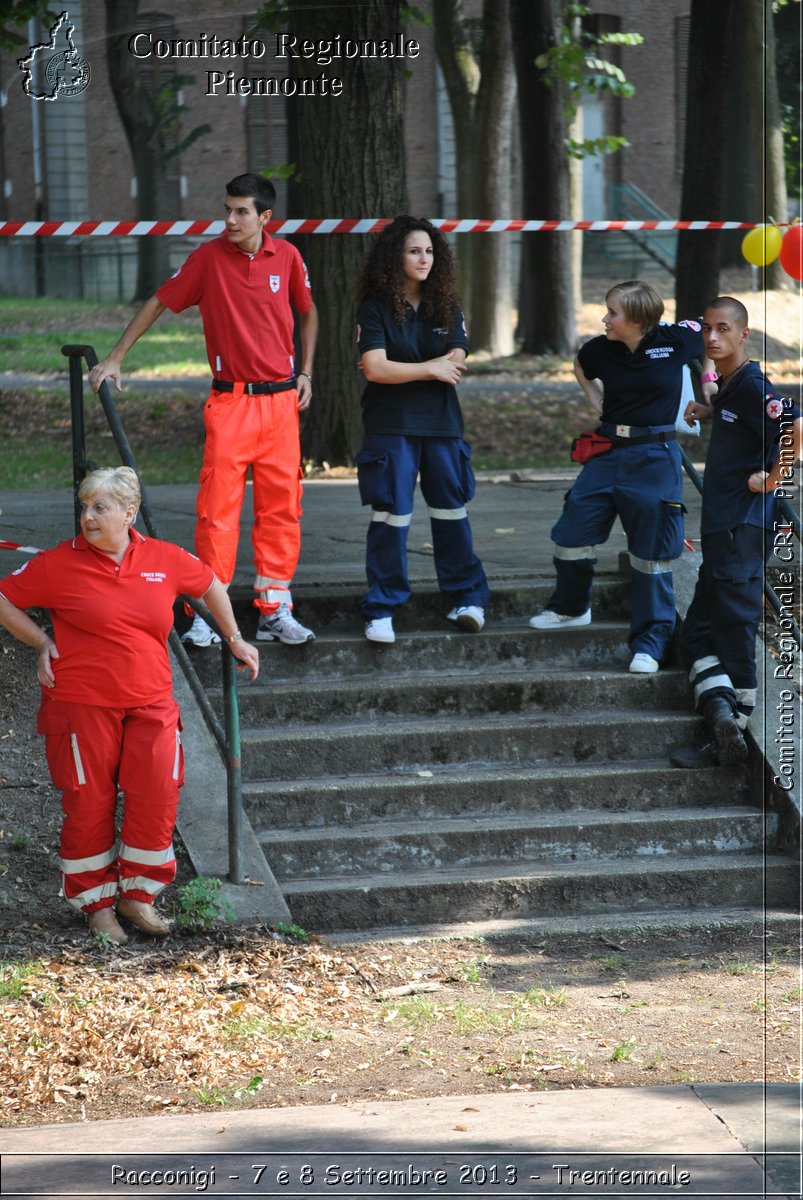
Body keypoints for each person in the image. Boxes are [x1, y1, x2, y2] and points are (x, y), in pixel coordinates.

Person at [0, 467, 260, 945]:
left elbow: (209, 585)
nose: (88, 517)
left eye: (100, 507)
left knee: (158, 793)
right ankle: (97, 907)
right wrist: (40, 642)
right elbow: (3, 597)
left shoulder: (163, 557)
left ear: (129, 512)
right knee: (89, 803)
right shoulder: (58, 564)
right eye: (84, 507)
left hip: (152, 701)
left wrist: (235, 637)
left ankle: (137, 896)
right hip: (82, 705)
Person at [89, 173, 319, 648]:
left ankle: (276, 607)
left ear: (265, 218)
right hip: (231, 401)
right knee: (218, 513)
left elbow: (308, 310)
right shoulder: (208, 259)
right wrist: (116, 357)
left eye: (241, 212)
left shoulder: (289, 257)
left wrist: (307, 372)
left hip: (280, 403)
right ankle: (209, 614)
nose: (230, 220)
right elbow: (159, 301)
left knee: (282, 510)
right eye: (228, 210)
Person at [529, 280, 711, 673]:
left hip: (656, 454)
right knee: (573, 530)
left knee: (652, 554)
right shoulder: (600, 349)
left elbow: (715, 331)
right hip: (609, 451)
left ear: (638, 319)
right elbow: (581, 365)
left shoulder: (676, 339)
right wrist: (594, 396)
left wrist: (708, 383)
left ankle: (650, 643)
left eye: (613, 312)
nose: (605, 318)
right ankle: (571, 607)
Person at [670, 297, 803, 768]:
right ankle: (721, 716)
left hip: (740, 530)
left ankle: (737, 728)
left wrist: (771, 479)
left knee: (732, 627)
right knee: (698, 633)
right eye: (707, 328)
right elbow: (741, 421)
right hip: (724, 530)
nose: (711, 337)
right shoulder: (731, 386)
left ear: (743, 334)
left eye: (723, 329)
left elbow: (795, 426)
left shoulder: (750, 384)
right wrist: (708, 412)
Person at [354, 215, 489, 644]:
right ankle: (383, 607)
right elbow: (375, 369)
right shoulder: (374, 308)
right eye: (414, 251)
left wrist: (427, 365)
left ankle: (466, 598)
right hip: (390, 425)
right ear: (395, 256)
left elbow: (459, 353)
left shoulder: (445, 305)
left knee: (452, 511)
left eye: (430, 251)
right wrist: (430, 368)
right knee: (393, 514)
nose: (424, 258)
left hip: (442, 425)